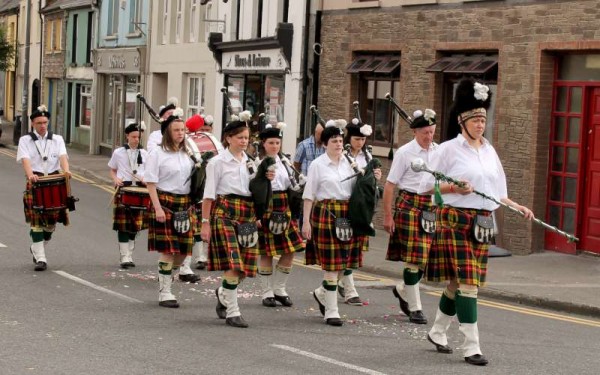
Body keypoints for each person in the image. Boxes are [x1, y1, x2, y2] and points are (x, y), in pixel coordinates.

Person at [418, 78, 534, 366]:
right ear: (462, 120)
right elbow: (424, 186)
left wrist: (517, 206)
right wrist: (452, 188)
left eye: (483, 118)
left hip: (482, 224)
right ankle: (472, 346)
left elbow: (498, 192)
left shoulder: (489, 150)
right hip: (456, 221)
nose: (481, 124)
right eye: (475, 119)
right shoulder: (447, 150)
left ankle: (437, 331)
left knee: (459, 281)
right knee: (469, 282)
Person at [201, 120, 272, 328]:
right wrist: (205, 223)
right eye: (240, 138)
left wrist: (267, 178)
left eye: (247, 138)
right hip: (225, 212)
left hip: (247, 213)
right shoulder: (217, 162)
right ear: (228, 138)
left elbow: (257, 191)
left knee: (245, 269)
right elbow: (208, 196)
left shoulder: (251, 162)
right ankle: (233, 312)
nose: (244, 141)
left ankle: (223, 292)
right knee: (234, 264)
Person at [302, 119, 363, 327]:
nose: (338, 144)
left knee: (342, 264)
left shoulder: (350, 162)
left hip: (348, 213)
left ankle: (321, 293)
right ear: (325, 144)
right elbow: (309, 195)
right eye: (334, 141)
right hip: (326, 213)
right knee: (331, 264)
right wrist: (306, 222)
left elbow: (360, 188)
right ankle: (331, 311)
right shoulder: (317, 165)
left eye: (340, 140)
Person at [382, 109, 438, 324]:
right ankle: (415, 308)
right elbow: (389, 185)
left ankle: (403, 289)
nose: (429, 137)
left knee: (429, 259)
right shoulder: (405, 153)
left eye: (432, 132)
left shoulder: (439, 151)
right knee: (414, 259)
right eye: (425, 132)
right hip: (410, 205)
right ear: (415, 131)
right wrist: (388, 216)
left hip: (432, 207)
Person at [145, 107, 197, 308]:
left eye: (183, 130)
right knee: (168, 249)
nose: (181, 134)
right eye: (176, 130)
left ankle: (165, 274)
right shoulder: (157, 153)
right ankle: (165, 291)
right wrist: (157, 208)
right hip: (164, 201)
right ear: (167, 132)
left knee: (184, 251)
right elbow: (150, 182)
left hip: (185, 203)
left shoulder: (188, 152)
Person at [17, 105, 71, 271]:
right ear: (32, 123)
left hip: (55, 181)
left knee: (51, 224)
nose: (42, 125)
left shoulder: (57, 139)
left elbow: (62, 157)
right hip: (36, 181)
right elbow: (25, 160)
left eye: (45, 122)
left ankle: (36, 247)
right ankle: (41, 258)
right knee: (37, 222)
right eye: (39, 122)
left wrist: (66, 171)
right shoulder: (25, 140)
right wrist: (30, 174)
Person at [256, 123, 304, 308]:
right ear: (264, 144)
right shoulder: (258, 163)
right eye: (271, 143)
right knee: (267, 252)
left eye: (277, 142)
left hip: (284, 206)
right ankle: (266, 292)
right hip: (267, 204)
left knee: (290, 249)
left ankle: (279, 289)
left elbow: (290, 185)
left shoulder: (285, 162)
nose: (275, 146)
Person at [338, 119, 382, 306]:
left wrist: (377, 177)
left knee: (353, 250)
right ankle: (350, 290)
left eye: (363, 139)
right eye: (357, 139)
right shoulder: (342, 154)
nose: (360, 142)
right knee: (345, 249)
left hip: (362, 204)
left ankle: (338, 282)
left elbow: (373, 181)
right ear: (350, 137)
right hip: (345, 203)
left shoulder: (368, 157)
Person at [108, 123, 149, 269]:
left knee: (135, 225)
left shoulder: (145, 154)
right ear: (127, 136)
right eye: (133, 137)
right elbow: (112, 170)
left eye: (138, 137)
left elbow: (149, 172)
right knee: (123, 226)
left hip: (140, 189)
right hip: (124, 188)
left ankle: (129, 255)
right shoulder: (118, 152)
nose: (136, 139)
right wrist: (115, 179)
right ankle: (124, 257)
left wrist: (146, 179)